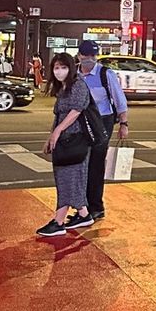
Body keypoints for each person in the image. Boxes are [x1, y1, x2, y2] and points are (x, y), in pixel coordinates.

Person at [36, 52, 99, 239]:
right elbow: (59, 115)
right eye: (56, 68)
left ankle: (58, 222)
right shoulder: (63, 88)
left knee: (68, 179)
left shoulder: (78, 85)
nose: (59, 71)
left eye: (63, 67)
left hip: (76, 140)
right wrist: (51, 136)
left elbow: (76, 110)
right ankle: (84, 215)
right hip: (64, 140)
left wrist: (58, 131)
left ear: (71, 68)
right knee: (71, 179)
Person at [74, 40, 129, 223]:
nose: (89, 59)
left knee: (95, 165)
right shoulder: (75, 75)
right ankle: (82, 207)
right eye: (86, 55)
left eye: (93, 56)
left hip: (102, 122)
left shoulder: (106, 74)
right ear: (80, 55)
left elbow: (119, 100)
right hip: (80, 123)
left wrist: (124, 124)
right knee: (81, 165)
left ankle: (95, 207)